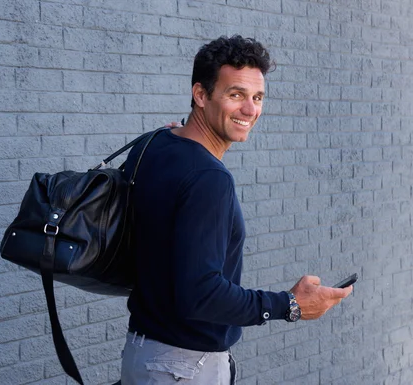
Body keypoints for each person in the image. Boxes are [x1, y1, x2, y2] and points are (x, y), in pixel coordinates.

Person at [119, 35, 353, 385]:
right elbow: (201, 294)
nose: (250, 110)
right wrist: (289, 304)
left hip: (143, 353)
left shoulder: (155, 143)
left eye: (257, 97)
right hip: (182, 367)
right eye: (236, 94)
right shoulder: (208, 178)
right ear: (200, 95)